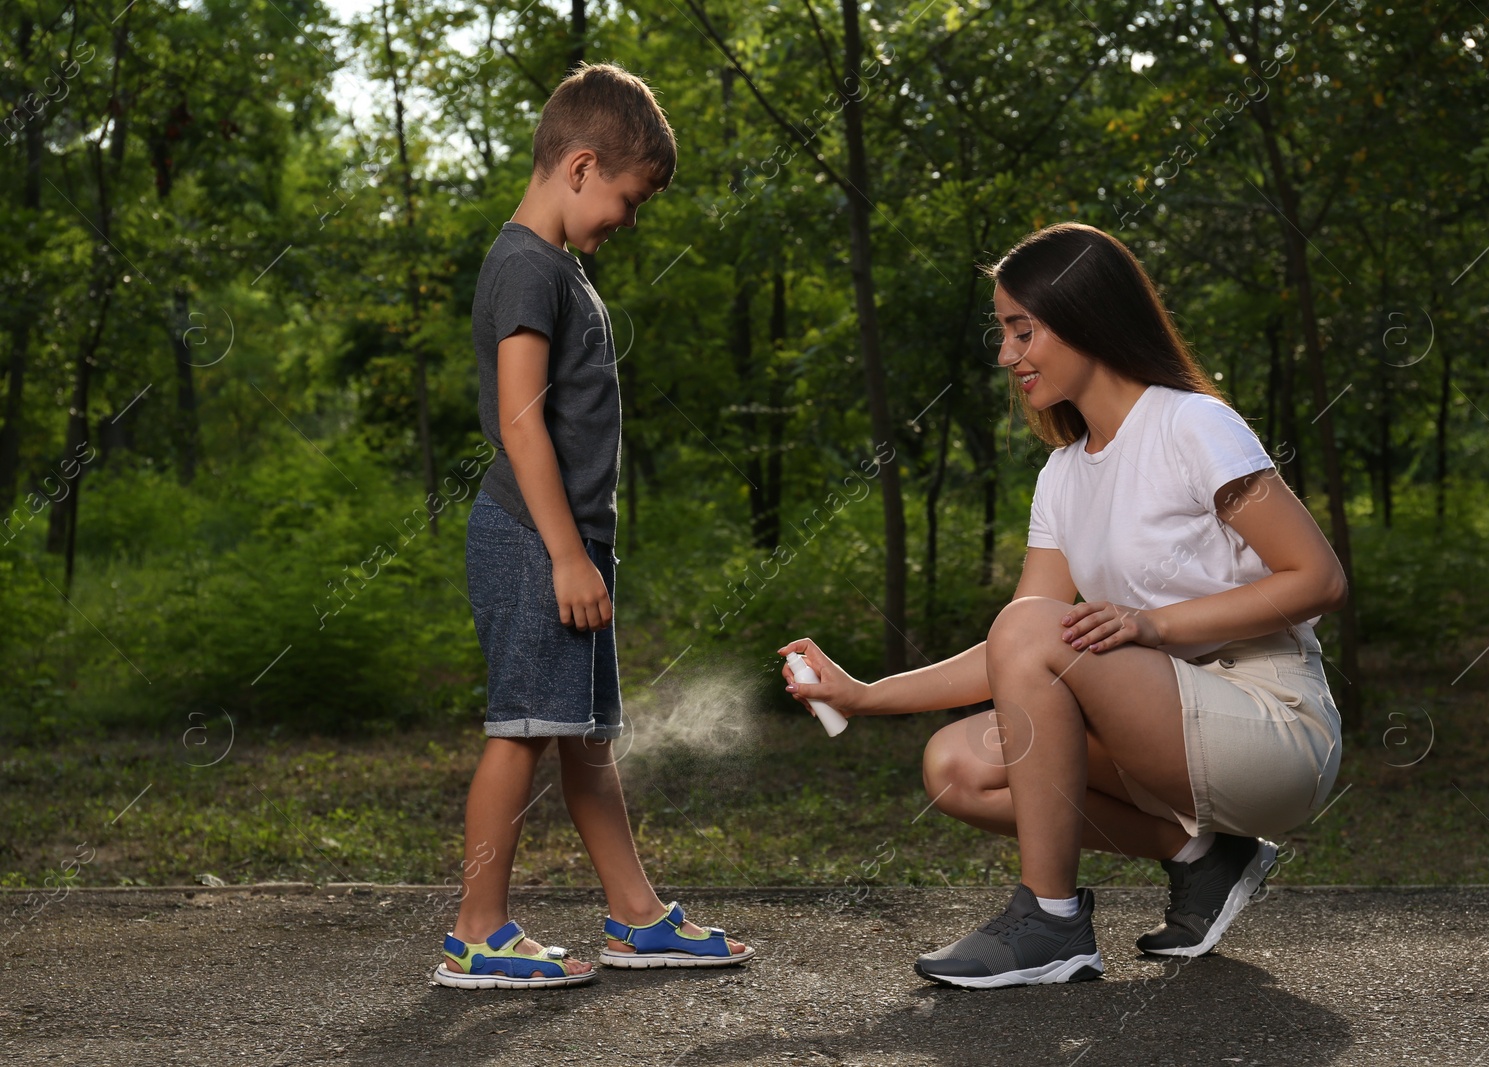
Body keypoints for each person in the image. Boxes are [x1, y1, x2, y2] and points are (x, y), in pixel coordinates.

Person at [778, 222, 1344, 990]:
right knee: (957, 767)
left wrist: (1154, 623)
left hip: (1272, 721)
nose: (1007, 354)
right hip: (1167, 724)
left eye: (1023, 329)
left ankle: (1049, 922)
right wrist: (866, 695)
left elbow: (1317, 578)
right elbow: (1017, 647)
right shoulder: (1065, 474)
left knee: (1035, 628)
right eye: (1003, 332)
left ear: (1086, 316)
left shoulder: (1190, 424)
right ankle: (1203, 858)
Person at [434, 62, 752, 989]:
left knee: (586, 738)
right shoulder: (527, 266)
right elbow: (522, 422)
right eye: (628, 197)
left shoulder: (554, 265)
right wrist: (568, 554)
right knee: (520, 732)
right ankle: (477, 931)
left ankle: (638, 916)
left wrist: (585, 553)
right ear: (579, 167)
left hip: (567, 547)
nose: (630, 219)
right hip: (538, 544)